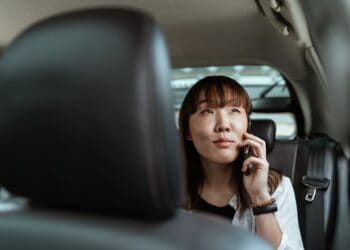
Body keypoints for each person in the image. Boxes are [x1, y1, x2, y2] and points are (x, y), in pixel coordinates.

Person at [179, 75, 304, 250]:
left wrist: (260, 196)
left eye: (234, 110)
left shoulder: (277, 187)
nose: (223, 125)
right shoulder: (165, 192)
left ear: (247, 125)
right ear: (187, 132)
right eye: (207, 111)